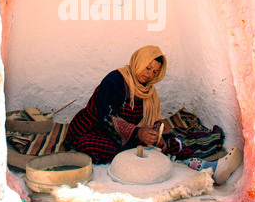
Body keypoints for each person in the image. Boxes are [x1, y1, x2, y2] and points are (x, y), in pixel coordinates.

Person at [64, 45, 242, 185]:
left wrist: (157, 136)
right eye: (147, 67)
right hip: (91, 130)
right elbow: (107, 117)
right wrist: (138, 133)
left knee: (166, 139)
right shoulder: (115, 80)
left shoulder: (148, 91)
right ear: (138, 62)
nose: (149, 74)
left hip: (127, 132)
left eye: (155, 72)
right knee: (117, 151)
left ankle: (206, 168)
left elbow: (153, 120)